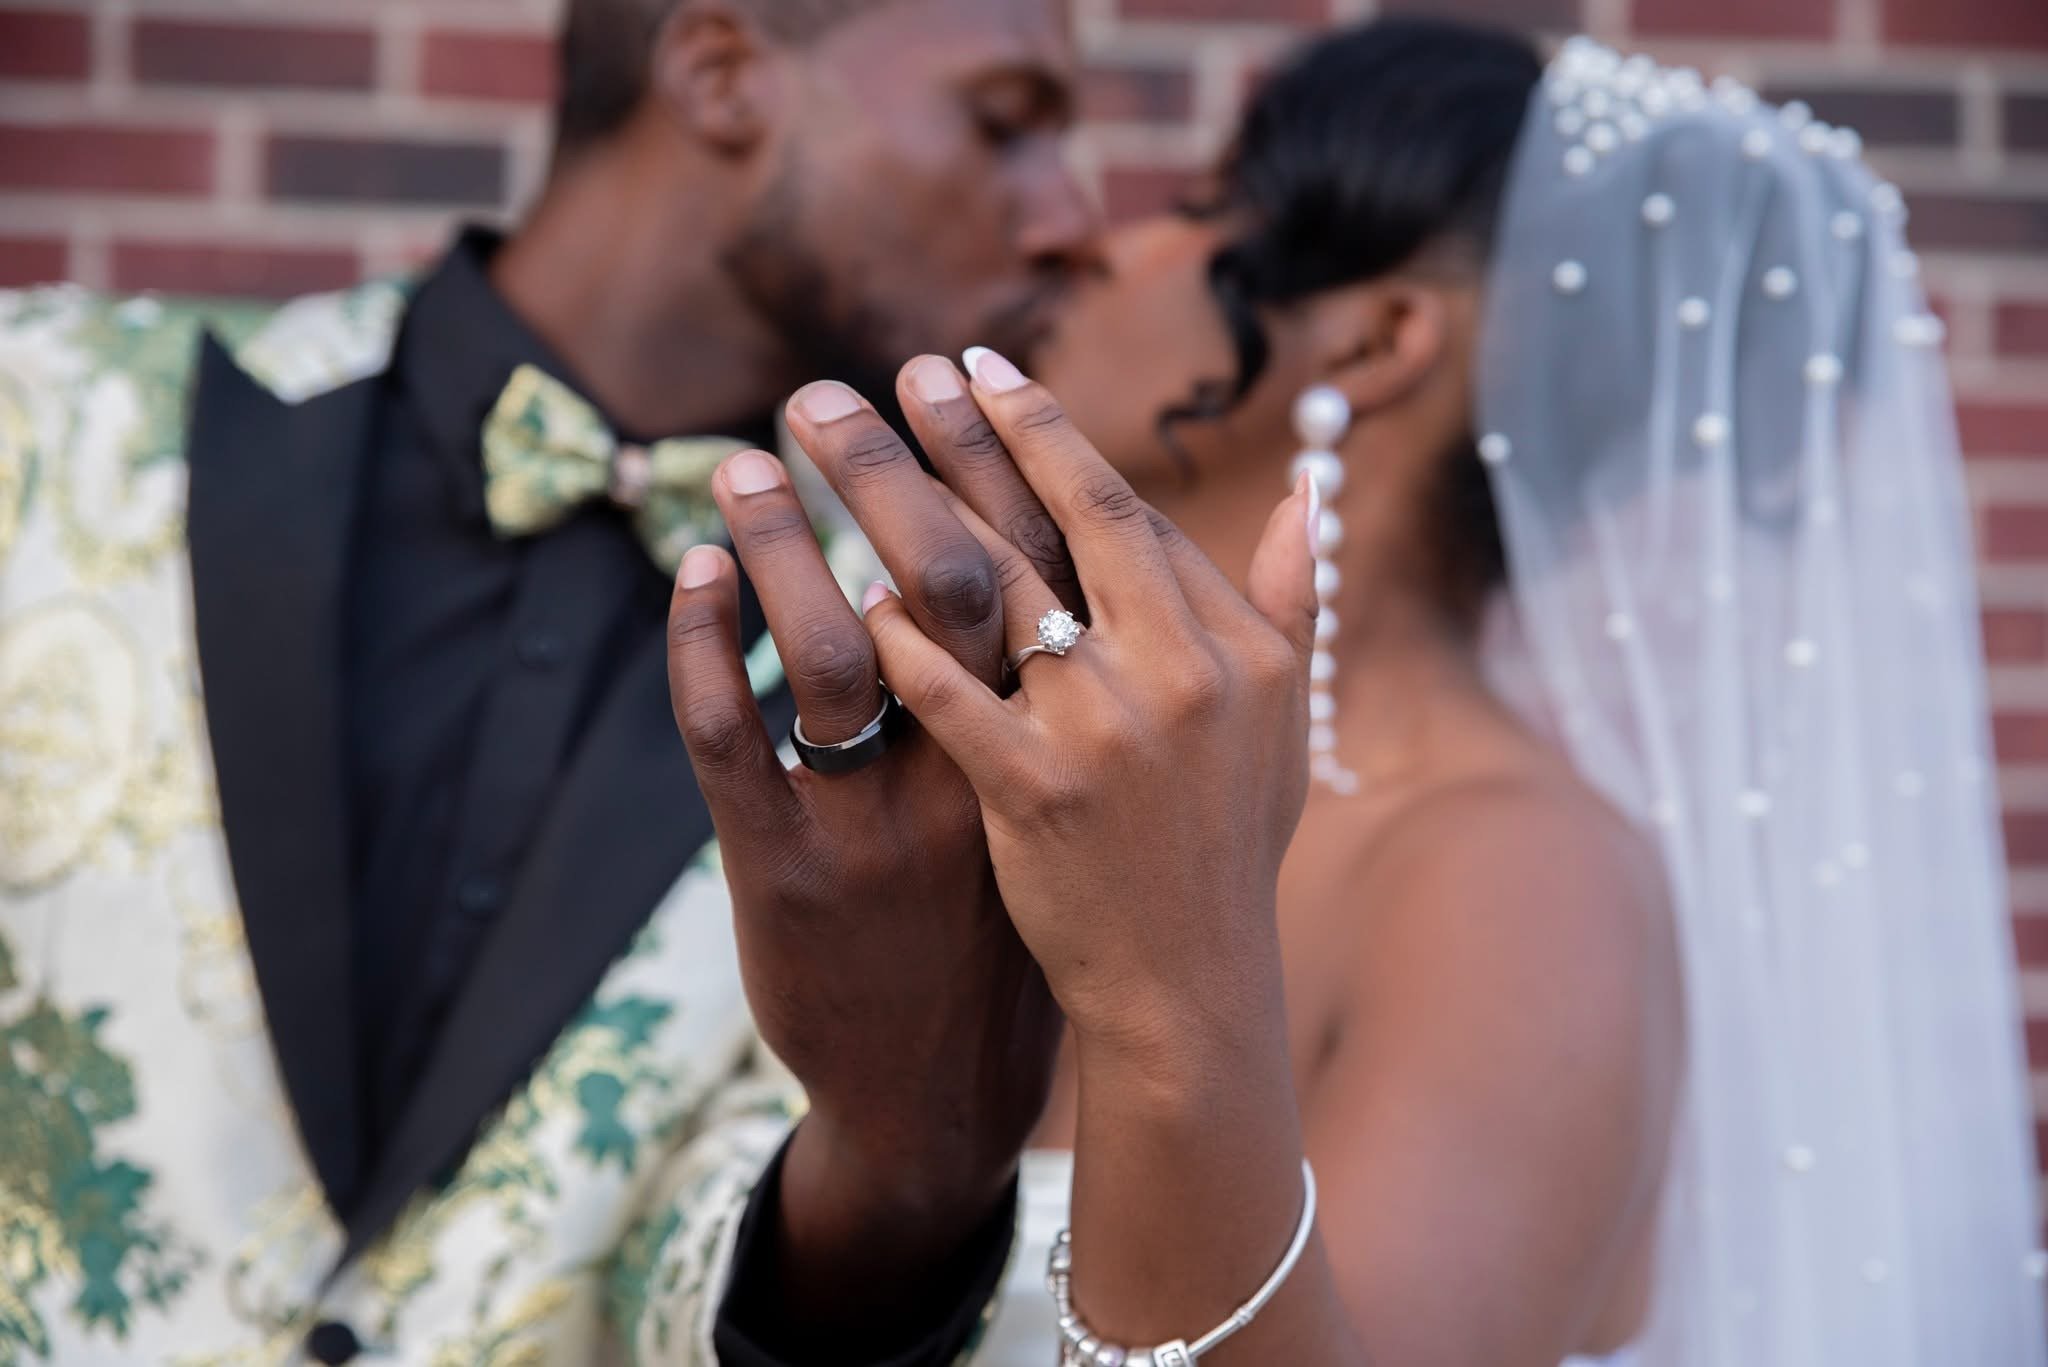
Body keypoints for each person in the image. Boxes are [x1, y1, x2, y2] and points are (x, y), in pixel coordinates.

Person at [685, 18, 2048, 1367]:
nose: (1102, 240)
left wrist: (1169, 993)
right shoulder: (995, 763)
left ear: (1377, 337)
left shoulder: (1515, 881)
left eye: (1211, 207)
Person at [0, 0, 1094, 1361]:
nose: (1072, 221)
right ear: (721, 71)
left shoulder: (909, 672)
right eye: (1006, 123)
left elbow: (701, 1268)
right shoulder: (38, 415)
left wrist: (910, 1158)